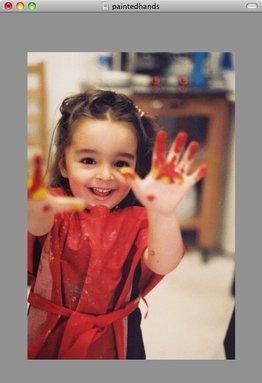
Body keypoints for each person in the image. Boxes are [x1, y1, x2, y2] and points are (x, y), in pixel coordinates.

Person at [27, 89, 207, 359]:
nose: (105, 175)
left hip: (117, 337)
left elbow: (163, 263)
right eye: (88, 160)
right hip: (50, 334)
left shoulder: (138, 219)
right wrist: (32, 213)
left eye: (121, 163)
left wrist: (163, 213)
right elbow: (39, 226)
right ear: (64, 164)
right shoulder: (56, 206)